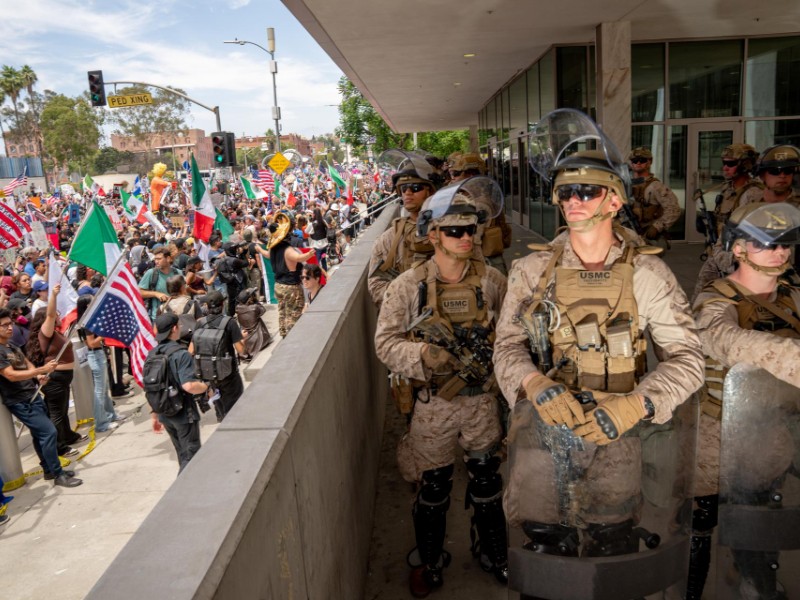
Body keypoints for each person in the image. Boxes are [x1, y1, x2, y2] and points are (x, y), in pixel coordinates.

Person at [493, 110, 704, 599]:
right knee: (546, 555)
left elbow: (689, 359)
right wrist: (533, 383)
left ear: (614, 199)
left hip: (618, 439)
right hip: (543, 438)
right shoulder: (531, 271)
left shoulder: (647, 275)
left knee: (611, 553)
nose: (573, 200)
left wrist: (640, 402)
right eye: (566, 191)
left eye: (586, 191)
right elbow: (507, 347)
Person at [374, 180, 509, 597]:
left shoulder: (492, 281)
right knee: (434, 486)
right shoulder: (408, 285)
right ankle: (430, 560)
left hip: (482, 400)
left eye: (471, 229)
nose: (466, 237)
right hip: (434, 403)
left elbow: (511, 337)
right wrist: (423, 357)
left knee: (486, 481)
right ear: (433, 235)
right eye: (454, 230)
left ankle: (494, 553)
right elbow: (385, 343)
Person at [690, 202, 800, 600]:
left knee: (760, 514)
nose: (781, 252)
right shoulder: (714, 299)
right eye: (768, 243)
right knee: (697, 522)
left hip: (769, 432)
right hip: (714, 433)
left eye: (786, 243)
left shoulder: (790, 296)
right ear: (738, 249)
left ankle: (756, 578)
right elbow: (728, 341)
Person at [693, 144, 800, 300]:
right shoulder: (747, 210)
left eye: (788, 171)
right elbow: (720, 250)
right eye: (774, 171)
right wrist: (740, 262)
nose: (782, 176)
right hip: (746, 286)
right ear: (762, 175)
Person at [0, 308, 82, 487]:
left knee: (40, 435)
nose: (9, 328)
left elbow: (25, 363)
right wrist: (40, 370)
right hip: (20, 401)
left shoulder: (11, 346)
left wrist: (36, 376)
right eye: (4, 325)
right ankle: (58, 474)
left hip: (32, 394)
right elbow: (11, 375)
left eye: (10, 323)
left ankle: (48, 470)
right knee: (49, 432)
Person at [368, 152, 439, 309]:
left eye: (415, 187)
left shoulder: (452, 231)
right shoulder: (389, 239)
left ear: (430, 191)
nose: (408, 193)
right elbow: (376, 284)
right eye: (404, 188)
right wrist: (405, 298)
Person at [26, 284, 86, 457]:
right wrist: (53, 295)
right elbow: (51, 313)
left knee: (63, 410)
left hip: (63, 379)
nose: (58, 316)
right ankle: (60, 447)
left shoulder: (56, 333)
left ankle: (68, 436)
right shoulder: (46, 333)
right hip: (55, 380)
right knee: (56, 413)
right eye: (55, 315)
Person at [149, 313, 209, 473]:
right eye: (179, 325)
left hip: (164, 413)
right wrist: (205, 387)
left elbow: (151, 386)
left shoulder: (152, 354)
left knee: (182, 454)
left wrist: (155, 414)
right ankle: (182, 493)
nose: (181, 328)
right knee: (191, 459)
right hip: (183, 413)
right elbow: (188, 386)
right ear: (174, 328)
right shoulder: (181, 354)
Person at [189, 290, 245, 422]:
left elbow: (191, 350)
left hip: (210, 375)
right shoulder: (230, 323)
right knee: (236, 407)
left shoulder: (200, 323)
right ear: (223, 304)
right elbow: (241, 350)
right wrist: (244, 339)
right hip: (229, 374)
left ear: (207, 307)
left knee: (219, 405)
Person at [256, 213, 314, 337]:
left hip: (278, 286)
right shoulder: (287, 250)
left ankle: (283, 333)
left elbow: (266, 254)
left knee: (282, 312)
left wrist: (259, 249)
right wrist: (310, 254)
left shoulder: (273, 248)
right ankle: (293, 337)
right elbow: (298, 257)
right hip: (290, 287)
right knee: (293, 314)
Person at [76, 296, 121, 433]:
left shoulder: (88, 321)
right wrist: (103, 334)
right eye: (91, 301)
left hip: (98, 354)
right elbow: (91, 343)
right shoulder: (88, 323)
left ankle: (111, 415)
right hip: (95, 355)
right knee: (100, 391)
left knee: (104, 388)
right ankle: (101, 423)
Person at [627, 146, 682, 242]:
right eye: (635, 160)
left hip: (646, 234)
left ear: (649, 162)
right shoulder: (626, 185)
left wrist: (657, 227)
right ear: (631, 163)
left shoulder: (656, 186)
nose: (638, 163)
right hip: (628, 233)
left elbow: (674, 209)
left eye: (642, 160)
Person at [711, 143, 762, 240]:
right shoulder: (727, 187)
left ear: (744, 165)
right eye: (724, 163)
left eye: (730, 164)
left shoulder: (754, 192)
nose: (725, 168)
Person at [139, 244, 182, 320]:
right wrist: (156, 294)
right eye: (155, 259)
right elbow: (139, 292)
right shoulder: (151, 273)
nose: (156, 261)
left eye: (159, 259)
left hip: (177, 315)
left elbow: (185, 291)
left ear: (168, 258)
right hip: (158, 317)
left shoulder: (178, 273)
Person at [234, 287, 272, 360]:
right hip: (258, 339)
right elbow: (263, 310)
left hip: (246, 337)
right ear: (250, 299)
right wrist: (256, 301)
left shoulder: (237, 308)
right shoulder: (255, 308)